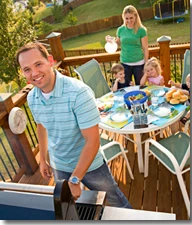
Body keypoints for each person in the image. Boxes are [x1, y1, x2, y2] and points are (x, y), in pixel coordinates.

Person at [16, 42, 132, 209]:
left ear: (50, 60)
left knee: (115, 201)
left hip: (91, 164)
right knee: (68, 207)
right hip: (59, 165)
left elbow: (92, 141)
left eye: (38, 64)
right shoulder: (32, 98)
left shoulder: (79, 93)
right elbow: (41, 127)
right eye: (27, 69)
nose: (34, 73)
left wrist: (76, 178)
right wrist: (42, 159)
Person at [106, 5, 149, 85]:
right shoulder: (120, 30)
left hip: (139, 64)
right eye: (127, 18)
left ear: (135, 16)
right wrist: (110, 41)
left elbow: (145, 48)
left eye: (131, 18)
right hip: (125, 64)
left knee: (140, 86)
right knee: (125, 87)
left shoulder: (141, 30)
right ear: (123, 18)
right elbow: (117, 44)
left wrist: (146, 64)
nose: (129, 20)